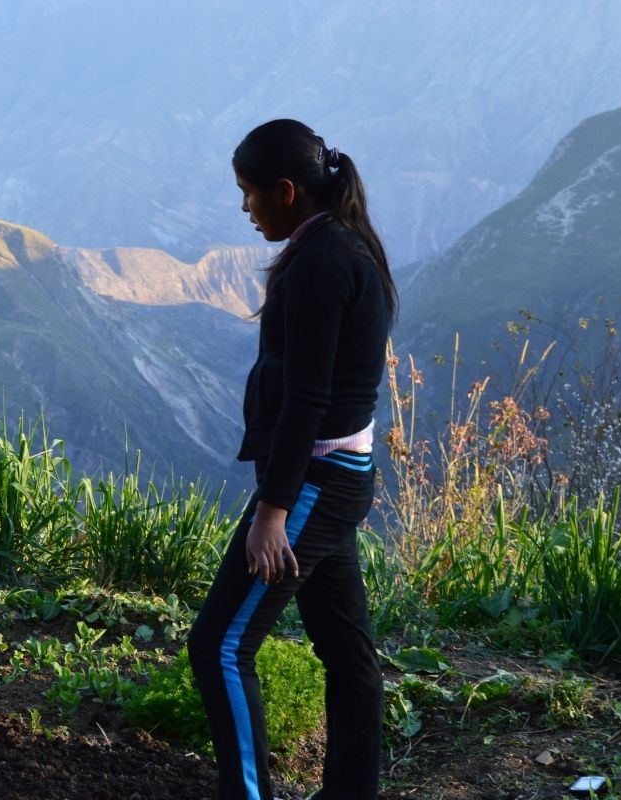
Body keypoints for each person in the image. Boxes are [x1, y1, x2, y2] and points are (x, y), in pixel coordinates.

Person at [187, 120, 397, 800]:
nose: (245, 209)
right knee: (347, 655)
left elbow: (307, 399)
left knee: (218, 645)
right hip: (343, 474)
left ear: (285, 191)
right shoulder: (342, 245)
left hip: (314, 482)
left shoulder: (318, 265)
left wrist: (271, 514)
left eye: (249, 194)